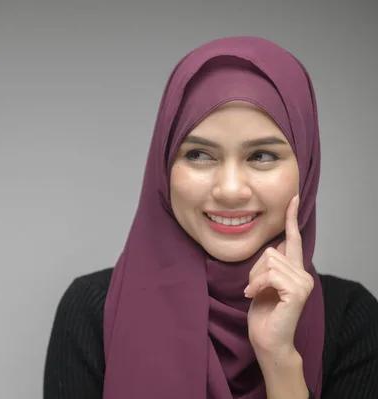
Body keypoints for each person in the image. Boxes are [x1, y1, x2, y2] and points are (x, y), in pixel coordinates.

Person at [43, 36, 378, 399]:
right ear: (164, 164)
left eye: (262, 156)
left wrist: (280, 359)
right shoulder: (92, 310)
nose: (230, 190)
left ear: (306, 169)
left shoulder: (352, 320)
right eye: (200, 155)